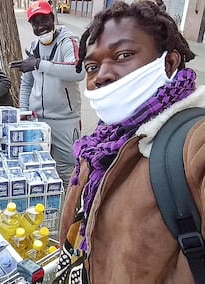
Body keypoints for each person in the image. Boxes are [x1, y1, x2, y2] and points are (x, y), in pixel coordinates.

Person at [55, 1, 204, 283]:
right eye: (91, 67)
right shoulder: (100, 144)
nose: (102, 76)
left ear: (170, 62)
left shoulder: (193, 143)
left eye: (123, 54)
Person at [10, 0, 85, 188]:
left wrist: (38, 64)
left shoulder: (68, 42)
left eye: (44, 20)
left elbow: (78, 72)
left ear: (52, 18)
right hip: (37, 120)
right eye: (35, 23)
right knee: (39, 169)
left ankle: (69, 214)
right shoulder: (34, 47)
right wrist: (23, 112)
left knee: (67, 170)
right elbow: (27, 83)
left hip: (64, 121)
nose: (40, 26)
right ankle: (49, 211)